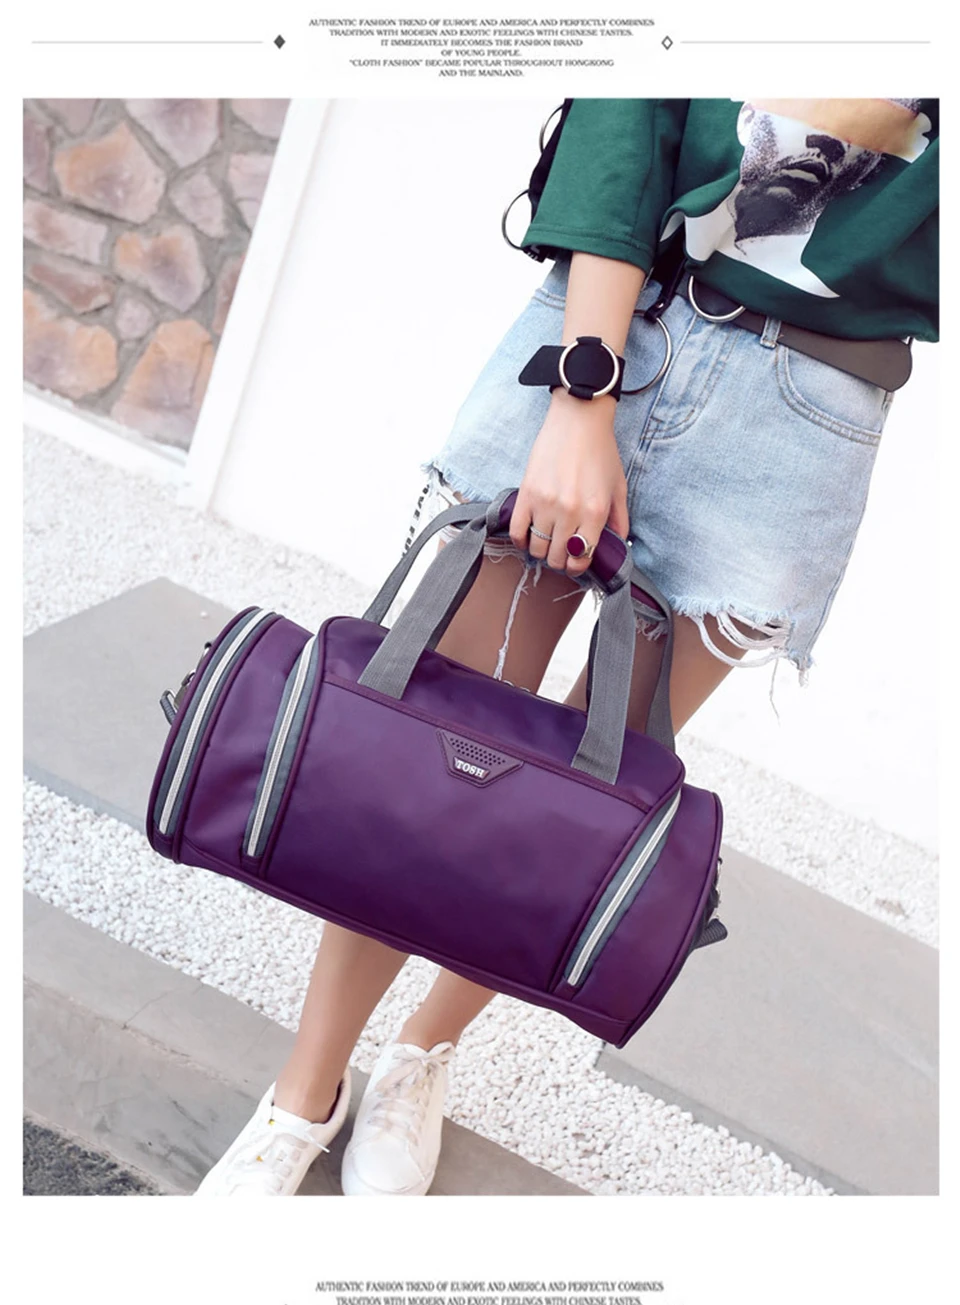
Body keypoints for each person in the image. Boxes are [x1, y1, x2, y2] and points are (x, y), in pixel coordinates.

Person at [195, 97, 939, 1196]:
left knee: (575, 811)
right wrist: (583, 391)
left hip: (805, 413)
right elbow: (622, 108)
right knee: (422, 757)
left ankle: (420, 1054)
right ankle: (305, 1093)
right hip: (617, 319)